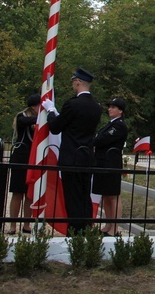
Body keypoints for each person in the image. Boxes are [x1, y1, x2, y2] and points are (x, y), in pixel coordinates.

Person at [42, 67, 102, 235]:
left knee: (73, 197)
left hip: (72, 156)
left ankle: (75, 231)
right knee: (84, 196)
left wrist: (51, 110)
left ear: (77, 82)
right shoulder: (96, 107)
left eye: (73, 82)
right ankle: (86, 228)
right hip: (87, 156)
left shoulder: (72, 104)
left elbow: (55, 127)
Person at [92, 97, 128, 236]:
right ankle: (108, 224)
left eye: (113, 107)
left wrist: (94, 140)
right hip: (103, 162)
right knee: (105, 195)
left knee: (113, 196)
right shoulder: (110, 124)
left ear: (120, 111)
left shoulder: (119, 125)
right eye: (110, 107)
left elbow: (101, 139)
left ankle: (114, 228)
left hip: (111, 163)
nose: (110, 109)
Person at [7, 93, 39, 234]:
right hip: (21, 158)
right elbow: (24, 122)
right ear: (33, 107)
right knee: (17, 193)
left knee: (29, 194)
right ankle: (13, 225)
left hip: (33, 159)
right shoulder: (22, 117)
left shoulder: (36, 119)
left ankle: (27, 224)